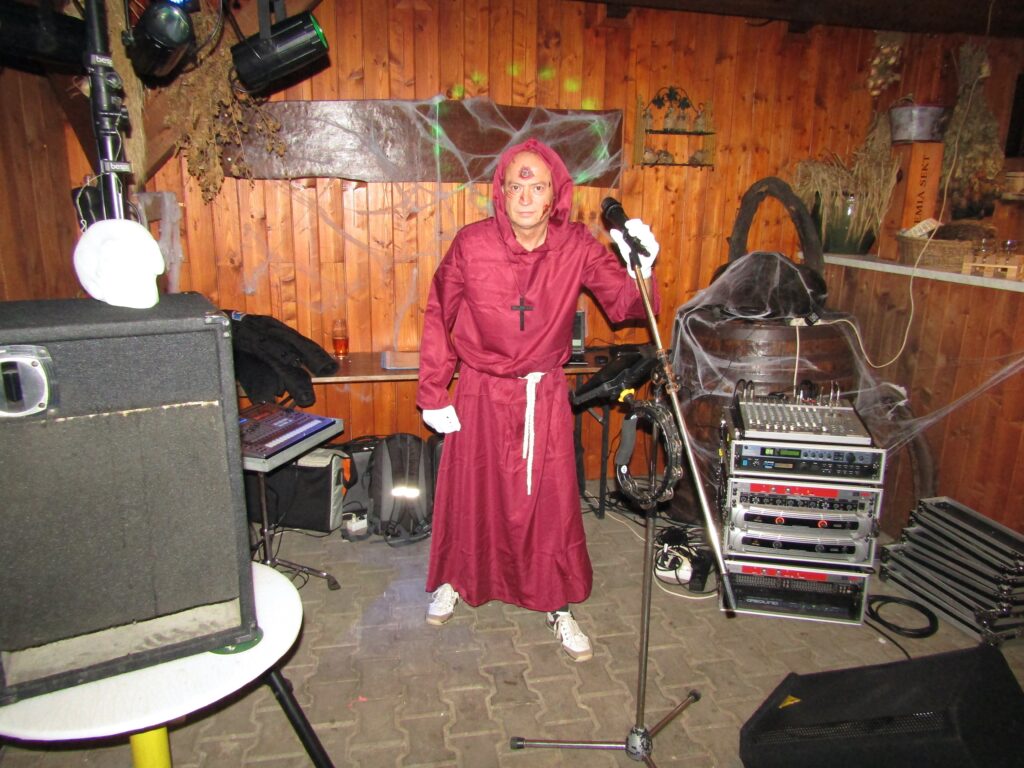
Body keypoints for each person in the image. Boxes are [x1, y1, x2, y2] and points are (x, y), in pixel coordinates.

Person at [416, 137, 660, 662]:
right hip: (481, 390)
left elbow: (625, 305)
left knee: (548, 502)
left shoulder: (576, 246)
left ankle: (555, 601)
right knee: (472, 492)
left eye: (538, 186)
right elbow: (439, 312)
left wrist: (642, 266)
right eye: (516, 185)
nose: (526, 196)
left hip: (541, 393)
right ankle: (456, 578)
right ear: (501, 193)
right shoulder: (471, 244)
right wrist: (433, 389)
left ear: (555, 195)